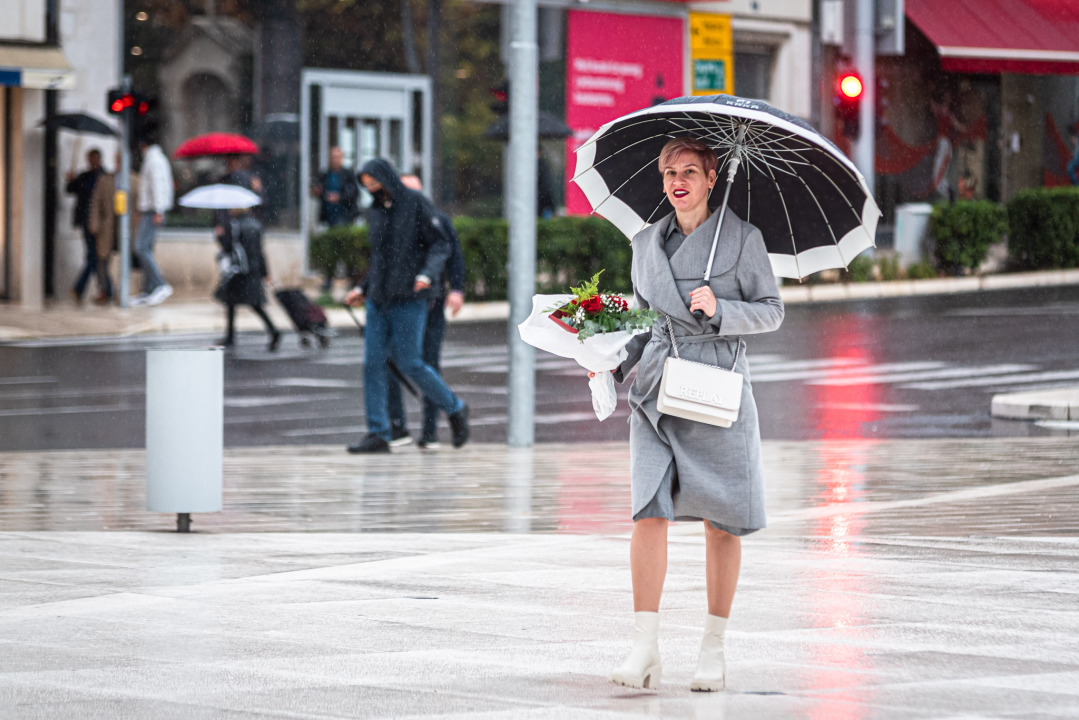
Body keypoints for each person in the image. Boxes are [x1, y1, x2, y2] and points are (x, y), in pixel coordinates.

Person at [600, 137, 783, 692]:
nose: (677, 181)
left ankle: (714, 648)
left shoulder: (743, 239)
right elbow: (645, 323)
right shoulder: (644, 244)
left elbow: (772, 312)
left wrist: (723, 309)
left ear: (710, 177)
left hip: (715, 389)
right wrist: (609, 367)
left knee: (720, 519)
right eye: (668, 173)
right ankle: (645, 646)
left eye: (689, 172)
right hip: (657, 388)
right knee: (647, 512)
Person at [344, 158, 470, 454]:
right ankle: (379, 432)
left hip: (410, 299)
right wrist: (362, 288)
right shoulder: (375, 211)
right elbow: (380, 257)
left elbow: (442, 245)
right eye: (366, 184)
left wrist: (427, 275)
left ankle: (455, 408)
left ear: (386, 178)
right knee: (372, 363)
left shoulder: (416, 203)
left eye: (374, 182)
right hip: (378, 300)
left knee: (411, 362)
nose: (370, 188)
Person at [385, 174, 466, 449]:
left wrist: (457, 288)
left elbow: (454, 255)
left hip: (428, 302)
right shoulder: (391, 221)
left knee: (427, 364)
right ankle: (397, 426)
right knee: (391, 361)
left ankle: (430, 430)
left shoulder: (436, 220)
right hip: (397, 302)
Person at [214, 208, 280, 351]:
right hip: (252, 269)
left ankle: (273, 331)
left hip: (240, 271)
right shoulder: (255, 224)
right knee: (245, 303)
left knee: (235, 302)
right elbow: (259, 251)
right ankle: (271, 331)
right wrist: (264, 272)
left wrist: (219, 236)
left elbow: (230, 248)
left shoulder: (235, 226)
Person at [87, 151, 141, 305]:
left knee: (126, 260)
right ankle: (105, 290)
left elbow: (140, 205)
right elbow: (96, 203)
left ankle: (123, 291)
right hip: (108, 226)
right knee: (102, 260)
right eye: (118, 160)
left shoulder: (136, 180)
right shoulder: (105, 180)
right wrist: (94, 223)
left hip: (127, 228)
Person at [132, 132, 175, 307]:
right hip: (150, 210)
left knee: (140, 248)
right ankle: (150, 289)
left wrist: (158, 209)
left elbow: (157, 185)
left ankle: (160, 284)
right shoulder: (155, 158)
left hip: (152, 210)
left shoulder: (154, 160)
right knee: (146, 249)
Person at [312, 146, 361, 289]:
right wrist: (319, 192)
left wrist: (340, 197)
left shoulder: (347, 174)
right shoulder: (325, 174)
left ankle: (352, 279)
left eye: (338, 156)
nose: (335, 159)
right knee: (329, 251)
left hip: (344, 218)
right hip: (329, 218)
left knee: (346, 249)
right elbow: (318, 191)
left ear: (342, 158)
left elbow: (354, 193)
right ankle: (328, 280)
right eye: (333, 156)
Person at [66, 149, 104, 303]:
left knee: (96, 257)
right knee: (93, 257)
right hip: (86, 223)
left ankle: (101, 289)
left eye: (94, 158)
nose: (92, 162)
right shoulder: (84, 176)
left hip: (100, 224)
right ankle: (107, 289)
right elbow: (69, 190)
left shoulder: (104, 176)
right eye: (90, 159)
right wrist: (71, 179)